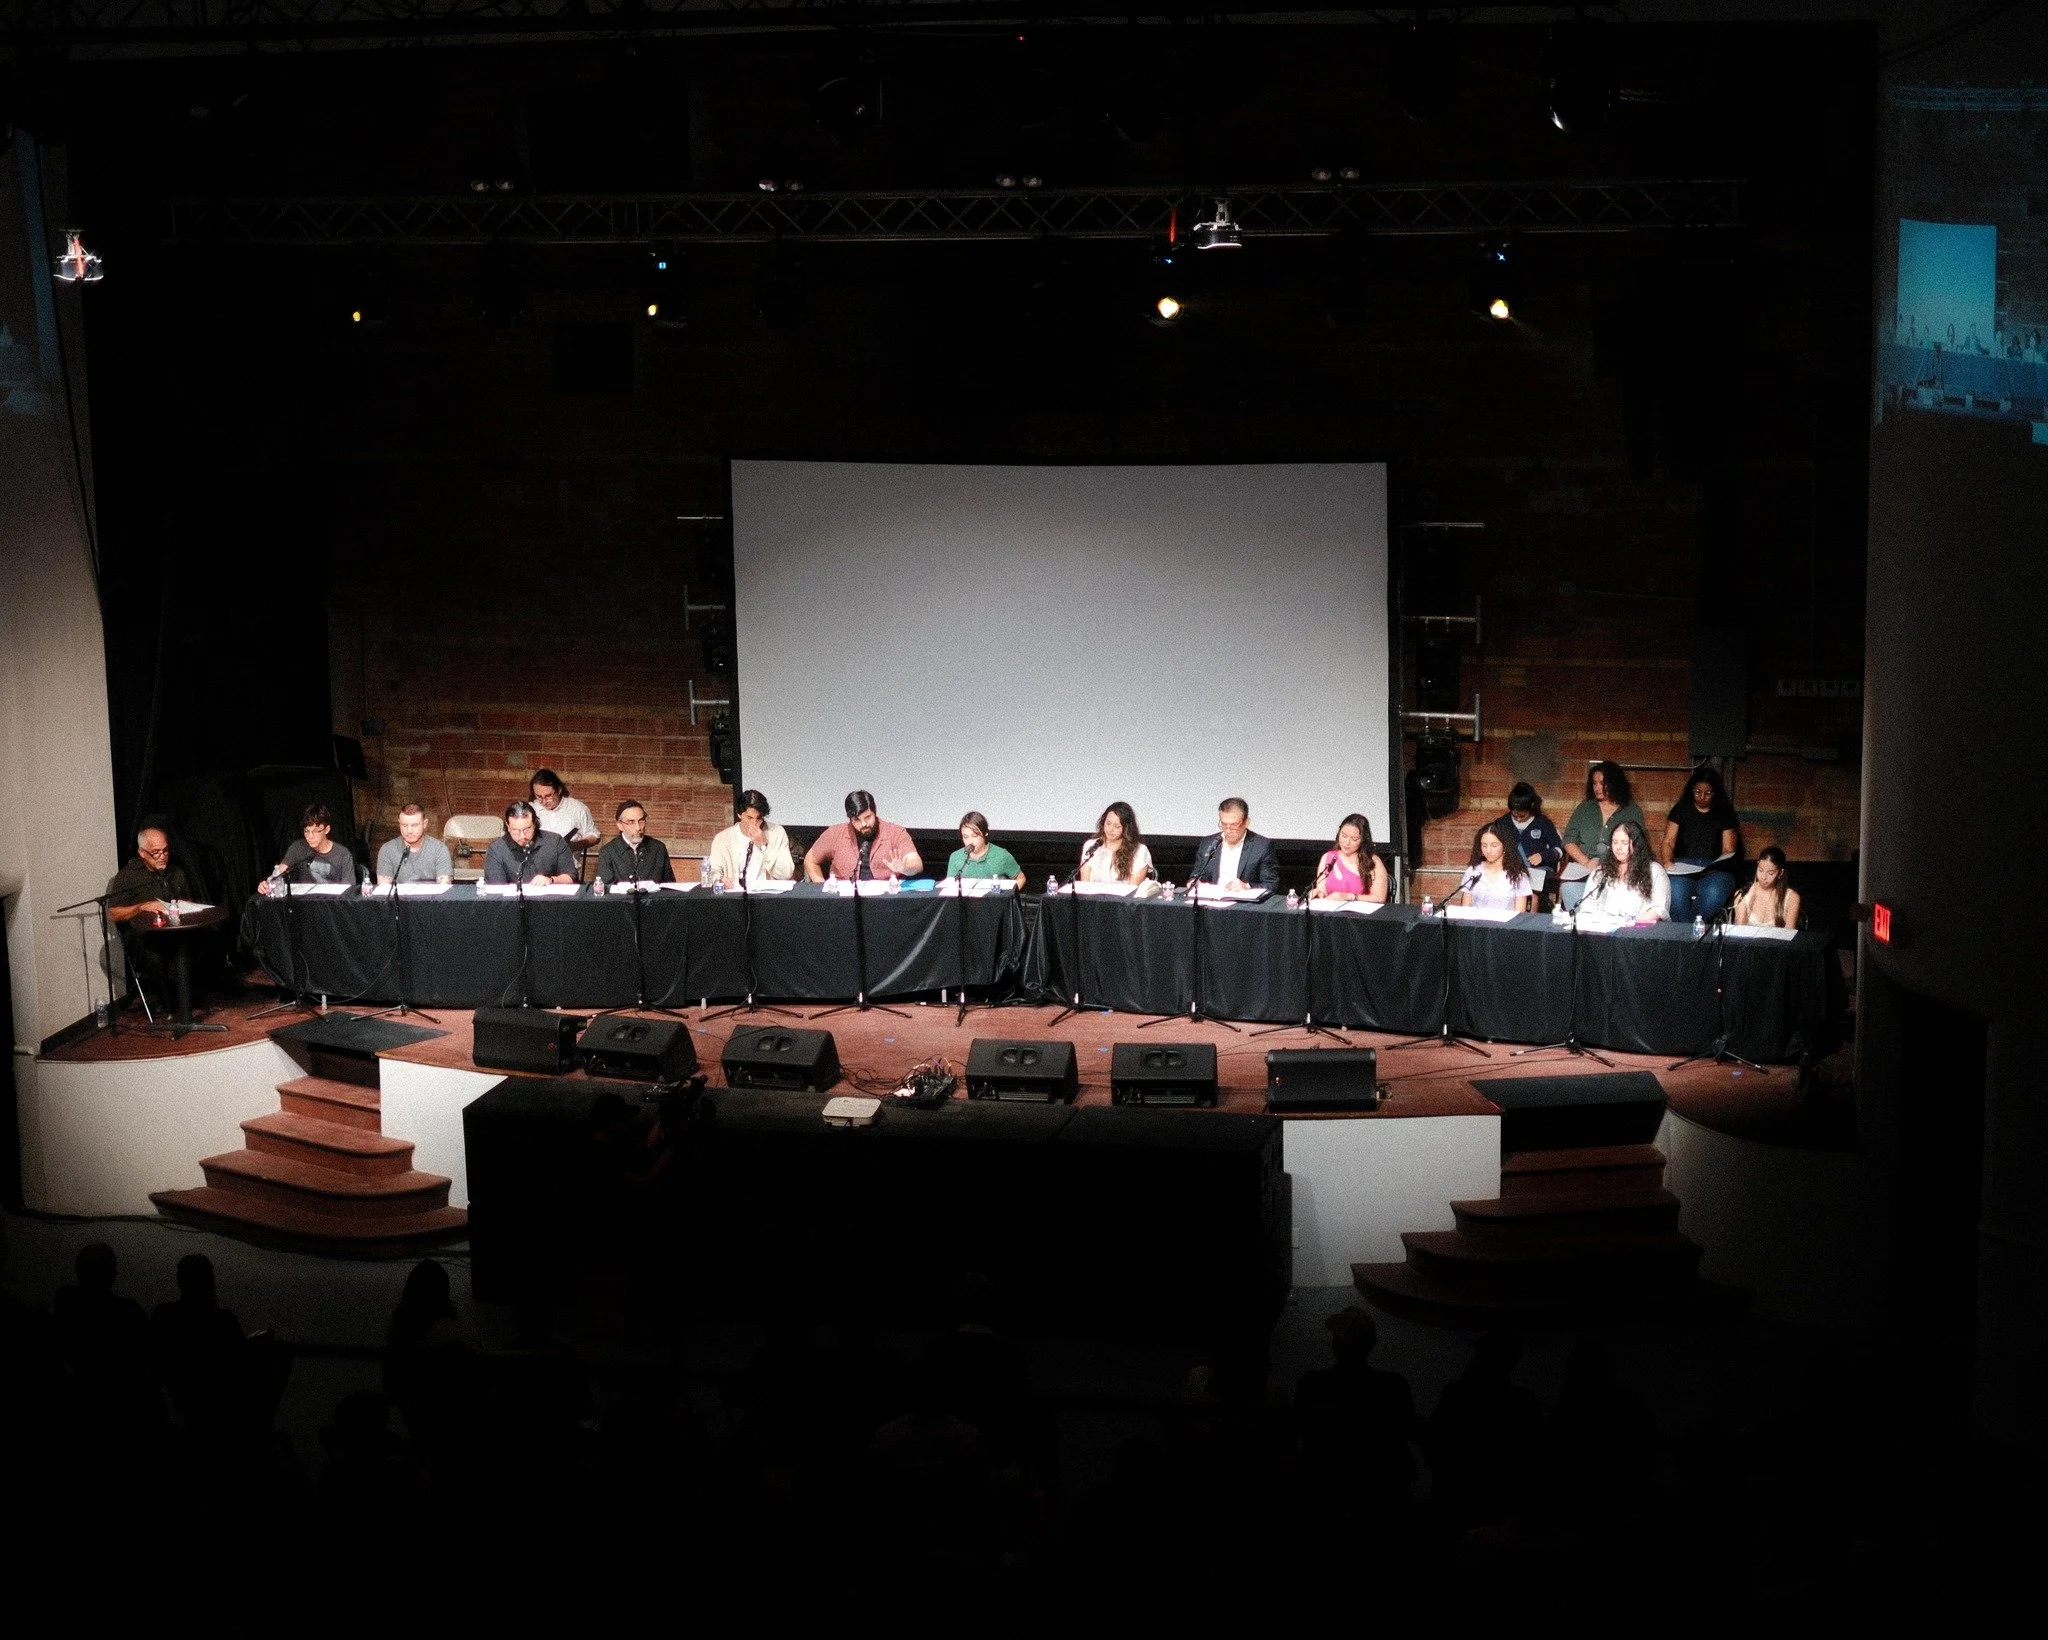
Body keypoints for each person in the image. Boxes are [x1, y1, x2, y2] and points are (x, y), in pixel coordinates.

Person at [1661, 766, 1741, 921]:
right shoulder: (1681, 808)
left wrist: (1714, 867)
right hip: (1682, 866)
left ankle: (1688, 933)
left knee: (1714, 894)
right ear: (1691, 790)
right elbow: (1668, 841)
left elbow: (1728, 850)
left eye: (1708, 793)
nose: (1702, 796)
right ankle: (1689, 935)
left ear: (1715, 793)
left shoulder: (1724, 812)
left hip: (1713, 868)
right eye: (1697, 792)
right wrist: (1668, 862)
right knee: (1676, 894)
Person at [805, 790, 922, 882]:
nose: (864, 824)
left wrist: (904, 868)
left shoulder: (895, 832)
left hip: (885, 900)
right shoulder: (835, 833)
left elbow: (917, 864)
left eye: (867, 817)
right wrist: (821, 888)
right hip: (843, 900)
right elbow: (810, 860)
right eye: (856, 820)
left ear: (875, 812)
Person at [1577, 819, 1669, 922]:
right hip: (1604, 930)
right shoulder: (1601, 872)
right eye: (1615, 842)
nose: (1618, 847)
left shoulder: (1655, 871)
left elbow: (1659, 910)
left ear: (1636, 845)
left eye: (1624, 843)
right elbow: (1587, 907)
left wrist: (1628, 923)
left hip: (1639, 930)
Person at [1562, 762, 1646, 870]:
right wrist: (1586, 862)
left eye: (1602, 783)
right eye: (1594, 783)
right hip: (1585, 868)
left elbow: (1638, 846)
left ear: (1615, 783)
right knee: (1569, 887)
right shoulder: (1584, 808)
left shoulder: (1632, 811)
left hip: (1619, 870)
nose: (1597, 788)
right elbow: (1569, 840)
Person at [106, 823, 194, 925]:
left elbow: (188, 899)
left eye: (165, 850)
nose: (162, 856)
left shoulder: (175, 871)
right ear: (142, 852)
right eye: (156, 852)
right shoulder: (128, 875)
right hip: (145, 935)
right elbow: (113, 914)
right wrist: (141, 907)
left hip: (177, 930)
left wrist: (185, 906)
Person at [1187, 797, 1281, 891]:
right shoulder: (1209, 843)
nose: (1228, 830)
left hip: (1243, 903)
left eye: (1234, 825)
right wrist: (1193, 882)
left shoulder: (1261, 846)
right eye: (1224, 824)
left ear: (1246, 822)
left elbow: (1271, 885)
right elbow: (1196, 875)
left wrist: (1247, 886)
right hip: (1210, 901)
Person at [704, 789, 794, 887]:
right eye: (749, 818)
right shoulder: (723, 838)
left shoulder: (777, 833)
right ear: (739, 814)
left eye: (759, 818)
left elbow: (786, 873)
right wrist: (719, 879)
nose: (754, 823)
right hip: (735, 896)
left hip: (767, 896)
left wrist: (764, 846)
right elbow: (712, 870)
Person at [260, 803, 356, 894]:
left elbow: (349, 891)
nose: (310, 836)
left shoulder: (343, 854)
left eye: (315, 831)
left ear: (327, 830)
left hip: (333, 905)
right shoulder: (297, 848)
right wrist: (268, 883)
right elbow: (280, 871)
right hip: (306, 905)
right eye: (307, 831)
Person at [483, 800, 578, 885]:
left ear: (535, 824)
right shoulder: (496, 849)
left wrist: (551, 880)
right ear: (508, 826)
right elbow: (495, 889)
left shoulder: (555, 841)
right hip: (511, 903)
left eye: (527, 829)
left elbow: (571, 877)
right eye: (515, 830)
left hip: (549, 901)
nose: (522, 836)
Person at [1456, 820, 1534, 913]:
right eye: (1484, 845)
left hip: (1506, 926)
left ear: (1505, 846)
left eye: (1494, 845)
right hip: (1477, 925)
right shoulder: (1473, 871)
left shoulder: (1517, 875)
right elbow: (1465, 908)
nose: (1488, 850)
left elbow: (1519, 914)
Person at [596, 798, 676, 887]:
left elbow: (670, 886)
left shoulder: (658, 848)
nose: (638, 828)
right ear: (620, 825)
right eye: (631, 822)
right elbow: (606, 891)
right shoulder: (607, 852)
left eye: (641, 821)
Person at [1311, 813, 1389, 903]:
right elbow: (1322, 891)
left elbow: (1379, 898)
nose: (1347, 842)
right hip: (1332, 914)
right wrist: (1318, 893)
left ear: (1363, 840)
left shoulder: (1373, 861)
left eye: (1354, 839)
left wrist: (1349, 897)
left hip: (1360, 915)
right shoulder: (1328, 858)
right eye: (1344, 836)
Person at [375, 803, 453, 886]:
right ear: (399, 823)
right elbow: (384, 888)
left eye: (415, 825)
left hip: (431, 898)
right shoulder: (387, 850)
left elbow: (444, 887)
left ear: (425, 824)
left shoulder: (439, 849)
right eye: (404, 825)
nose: (409, 830)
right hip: (399, 898)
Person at [1076, 801, 1153, 884]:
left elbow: (1133, 890)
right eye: (1108, 823)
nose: (1110, 829)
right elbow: (1085, 886)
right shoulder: (1091, 846)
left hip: (1125, 897)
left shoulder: (1140, 851)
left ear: (1126, 829)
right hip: (1094, 897)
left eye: (1117, 826)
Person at [1499, 782, 1565, 879]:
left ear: (1532, 808)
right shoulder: (1503, 823)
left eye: (1522, 816)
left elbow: (1558, 850)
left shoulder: (1543, 823)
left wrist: (1543, 856)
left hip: (1540, 871)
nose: (1518, 819)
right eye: (1514, 815)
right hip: (1512, 872)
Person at [946, 811, 1025, 888]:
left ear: (985, 833)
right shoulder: (955, 857)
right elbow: (950, 886)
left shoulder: (1001, 855)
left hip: (994, 900)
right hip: (966, 901)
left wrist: (1008, 897)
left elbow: (1021, 879)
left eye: (974, 836)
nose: (970, 841)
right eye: (965, 837)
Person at [1731, 845, 1801, 929]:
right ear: (1757, 865)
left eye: (1770, 873)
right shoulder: (1743, 894)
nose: (1763, 877)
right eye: (1760, 870)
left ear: (1780, 873)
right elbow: (1739, 932)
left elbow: (1789, 934)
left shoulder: (1791, 898)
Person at [528, 769, 597, 845]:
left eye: (548, 796)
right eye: (539, 796)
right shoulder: (530, 810)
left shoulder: (577, 808)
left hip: (570, 855)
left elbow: (594, 835)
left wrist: (576, 845)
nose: (544, 801)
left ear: (559, 790)